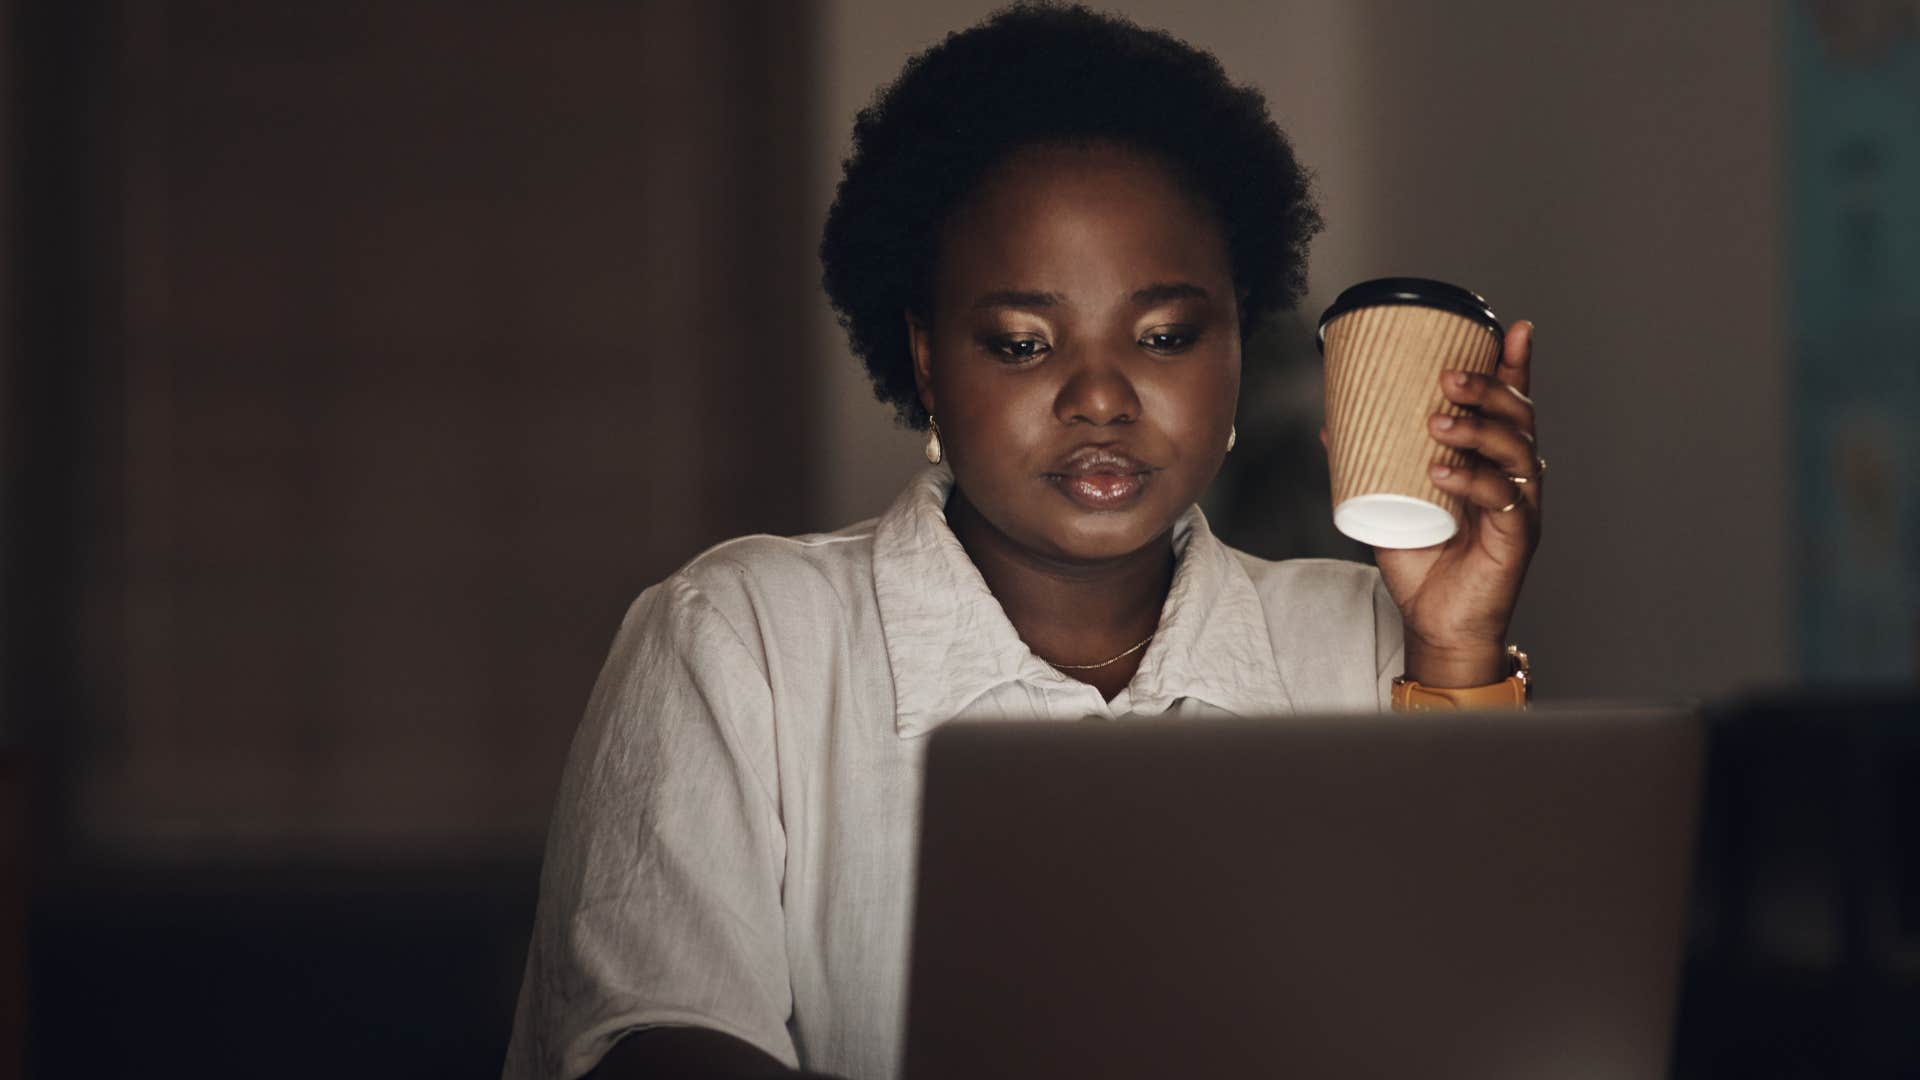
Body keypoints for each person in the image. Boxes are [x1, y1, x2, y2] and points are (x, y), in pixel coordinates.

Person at [503, 4, 1543, 1078]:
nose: (1100, 395)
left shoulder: (1362, 648)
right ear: (924, 361)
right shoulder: (740, 640)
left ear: (1237, 344)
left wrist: (1458, 650)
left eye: (1166, 336)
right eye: (1021, 342)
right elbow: (659, 1047)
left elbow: (1491, 1029)